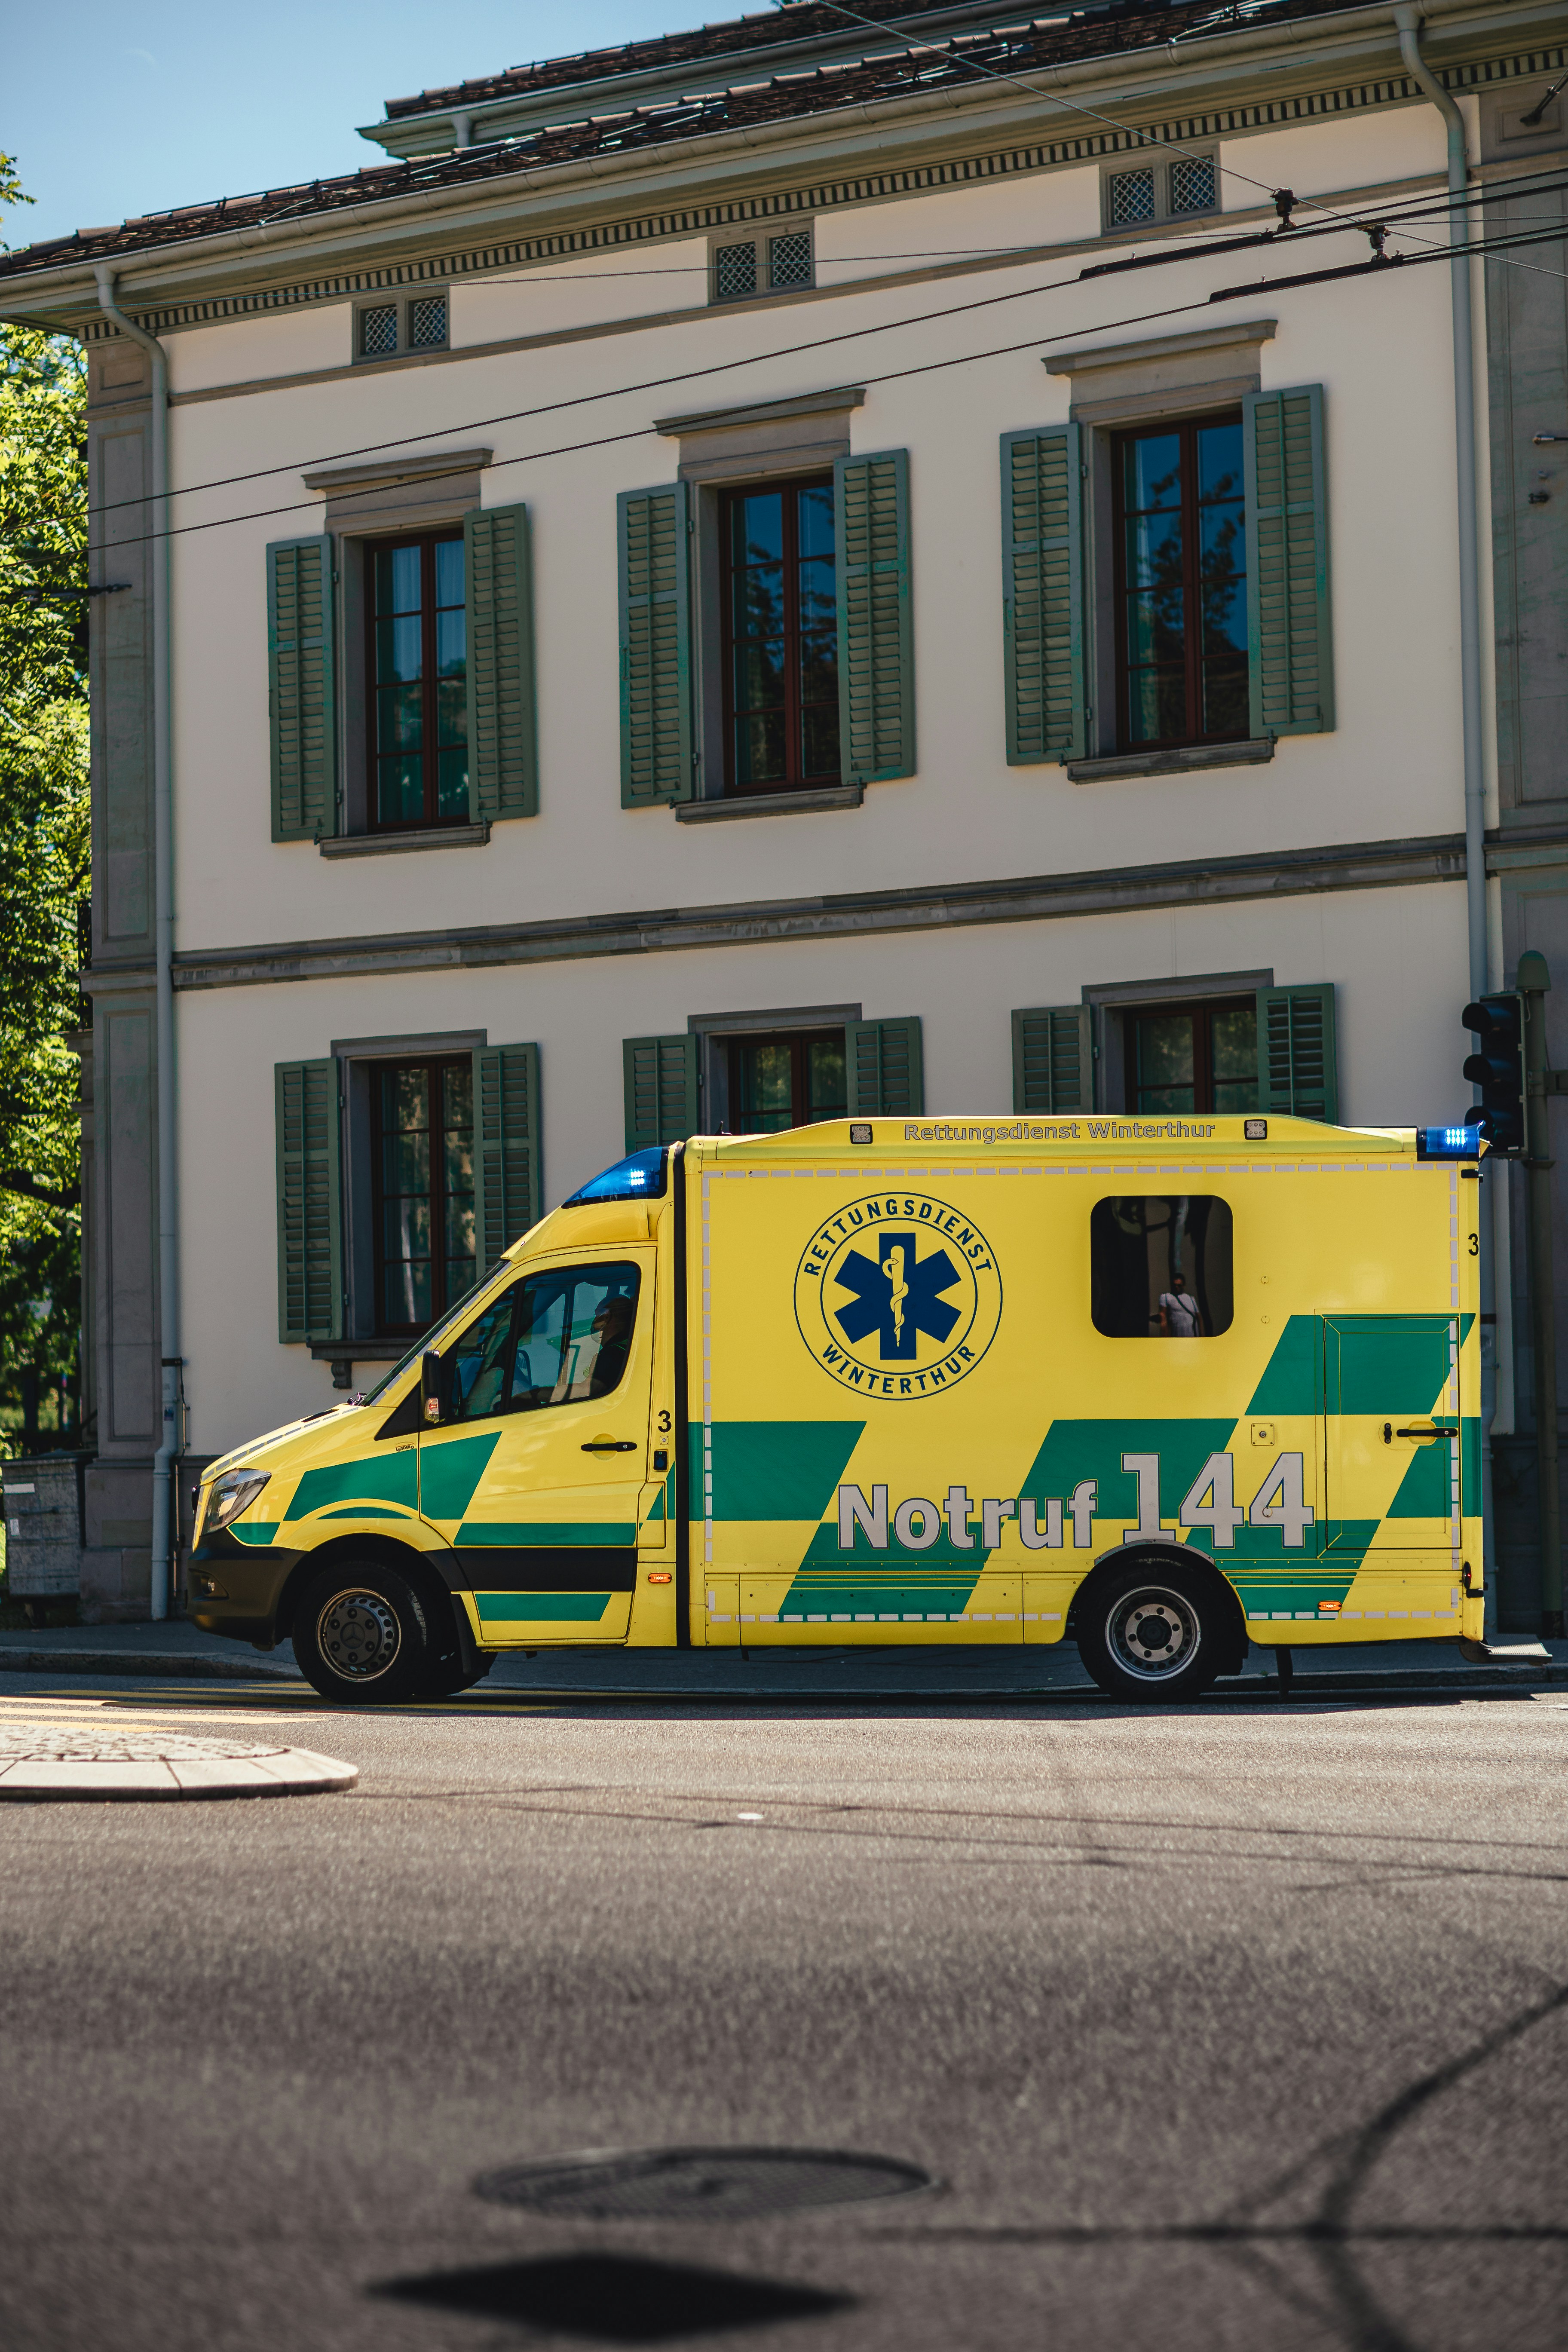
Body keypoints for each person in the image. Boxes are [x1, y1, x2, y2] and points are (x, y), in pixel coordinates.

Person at [1158, 1271, 1202, 1338]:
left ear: (1183, 1286)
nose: (1176, 1287)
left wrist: (1202, 1336)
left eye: (1179, 1286)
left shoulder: (1191, 1299)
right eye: (1174, 1285)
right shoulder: (1166, 1297)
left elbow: (1199, 1317)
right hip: (1178, 1336)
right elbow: (1163, 1318)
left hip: (1193, 1336)